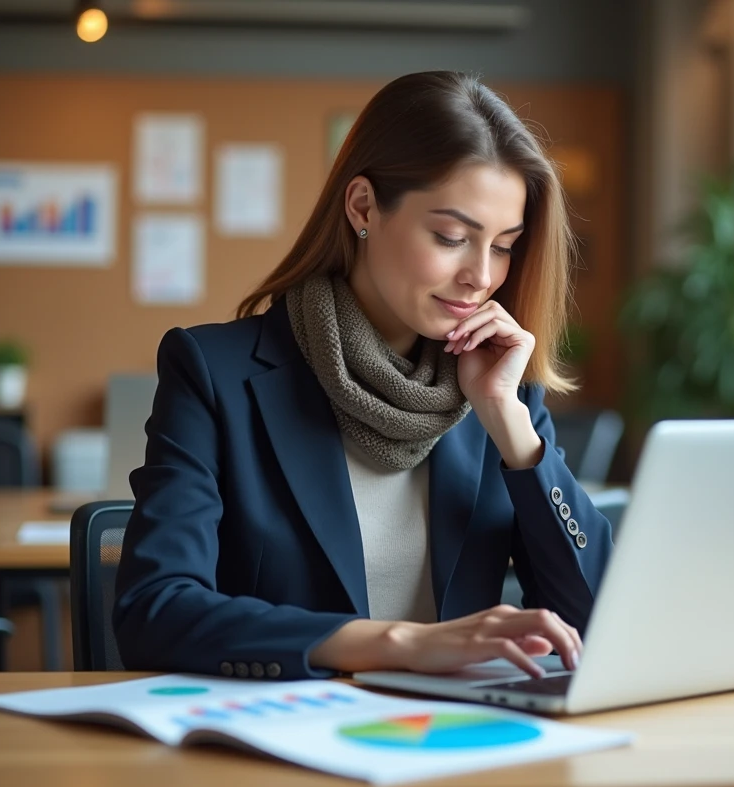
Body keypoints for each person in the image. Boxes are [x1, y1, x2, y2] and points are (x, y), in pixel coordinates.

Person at [113, 71, 613, 683]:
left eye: (505, 245)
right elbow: (154, 612)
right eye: (451, 237)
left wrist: (513, 429)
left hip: (461, 746)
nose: (482, 276)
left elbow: (597, 620)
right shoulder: (213, 373)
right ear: (363, 208)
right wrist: (398, 643)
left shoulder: (502, 389)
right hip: (287, 747)